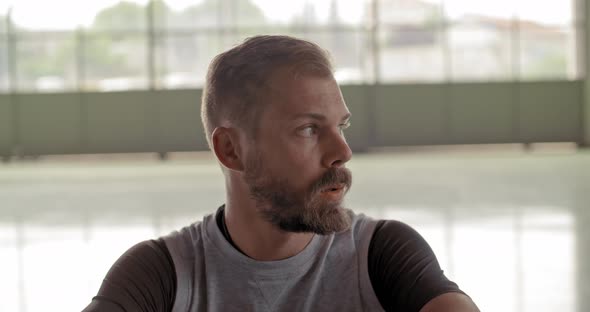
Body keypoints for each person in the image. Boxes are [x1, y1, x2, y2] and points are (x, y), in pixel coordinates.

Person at [82, 35, 479, 312]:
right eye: (309, 129)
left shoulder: (383, 253)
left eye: (341, 126)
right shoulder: (160, 276)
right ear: (231, 150)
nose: (342, 152)